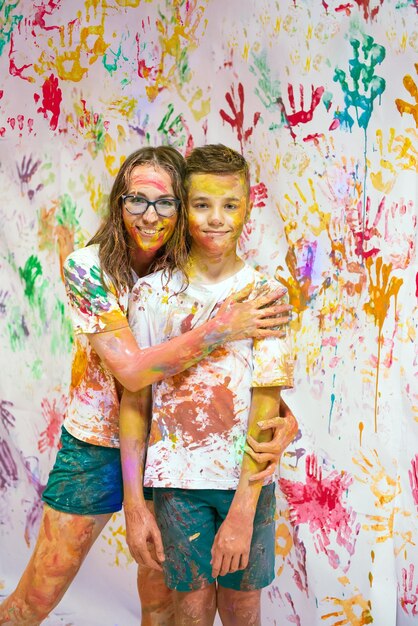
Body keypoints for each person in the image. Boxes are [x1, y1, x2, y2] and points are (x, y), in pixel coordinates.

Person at [0, 146, 294, 626]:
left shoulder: (184, 268)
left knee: (163, 606)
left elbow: (232, 379)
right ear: (119, 201)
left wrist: (284, 417)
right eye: (137, 200)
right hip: (96, 447)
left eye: (166, 202)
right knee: (37, 597)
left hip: (171, 455)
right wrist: (220, 326)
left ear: (181, 206)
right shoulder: (88, 267)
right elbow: (133, 374)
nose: (150, 215)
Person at [120, 144, 296, 626]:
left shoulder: (268, 295)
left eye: (230, 204)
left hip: (245, 488)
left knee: (243, 613)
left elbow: (267, 408)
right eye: (201, 204)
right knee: (189, 614)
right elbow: (134, 400)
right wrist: (135, 505)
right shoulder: (153, 294)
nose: (216, 218)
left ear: (248, 206)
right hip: (177, 487)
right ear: (183, 207)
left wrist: (243, 512)